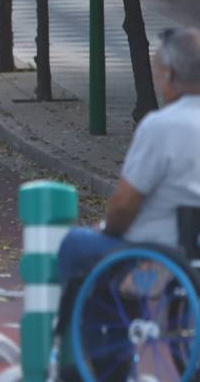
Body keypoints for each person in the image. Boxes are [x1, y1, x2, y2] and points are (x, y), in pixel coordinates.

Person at [55, 27, 200, 284]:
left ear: (170, 75)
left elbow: (122, 208)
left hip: (159, 258)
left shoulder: (161, 126)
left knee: (75, 244)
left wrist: (107, 230)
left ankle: (96, 323)